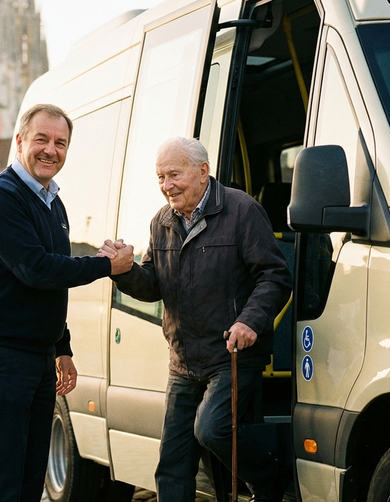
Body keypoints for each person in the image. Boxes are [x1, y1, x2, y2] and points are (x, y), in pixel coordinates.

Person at [99, 136, 292, 502]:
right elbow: (154, 284)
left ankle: (269, 479)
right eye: (160, 177)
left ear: (203, 172)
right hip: (183, 360)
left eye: (173, 175)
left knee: (212, 428)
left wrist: (250, 320)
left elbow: (275, 275)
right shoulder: (162, 222)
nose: (166, 186)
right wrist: (122, 271)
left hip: (232, 355)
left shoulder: (241, 210)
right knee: (172, 464)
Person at [0, 103, 134, 502]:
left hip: (36, 354)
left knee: (29, 476)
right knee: (3, 479)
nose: (50, 150)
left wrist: (62, 348)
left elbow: (51, 286)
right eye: (42, 139)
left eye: (60, 143)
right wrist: (106, 264)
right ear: (20, 141)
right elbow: (36, 269)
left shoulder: (52, 202)